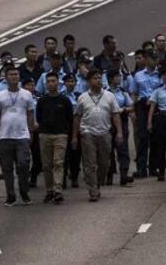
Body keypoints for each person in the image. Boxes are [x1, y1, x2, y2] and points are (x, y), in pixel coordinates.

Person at [0, 65, 36, 206]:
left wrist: (31, 131)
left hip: (22, 136)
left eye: (16, 74)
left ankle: (24, 191)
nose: (14, 77)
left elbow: (30, 114)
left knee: (23, 164)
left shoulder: (27, 94)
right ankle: (10, 195)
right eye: (11, 74)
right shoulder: (0, 95)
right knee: (7, 168)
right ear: (6, 77)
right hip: (4, 136)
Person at [72, 70, 122, 202]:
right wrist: (75, 137)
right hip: (88, 133)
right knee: (90, 164)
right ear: (89, 81)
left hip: (105, 133)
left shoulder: (110, 96)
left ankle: (98, 183)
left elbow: (116, 114)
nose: (98, 80)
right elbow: (77, 117)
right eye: (95, 78)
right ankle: (93, 190)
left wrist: (120, 132)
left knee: (105, 163)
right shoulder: (82, 97)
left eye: (100, 78)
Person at [35, 72, 73, 204]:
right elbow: (38, 118)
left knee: (58, 163)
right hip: (45, 135)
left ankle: (58, 190)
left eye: (53, 81)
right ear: (46, 84)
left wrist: (69, 135)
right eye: (49, 81)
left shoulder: (64, 100)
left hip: (60, 135)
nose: (51, 83)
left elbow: (70, 118)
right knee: (46, 165)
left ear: (58, 83)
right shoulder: (42, 101)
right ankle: (49, 190)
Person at [132, 51, 162, 178]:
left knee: (155, 138)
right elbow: (134, 92)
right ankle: (141, 168)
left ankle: (153, 167)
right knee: (142, 137)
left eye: (156, 59)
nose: (154, 62)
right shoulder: (138, 75)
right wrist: (134, 107)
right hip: (142, 105)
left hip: (156, 106)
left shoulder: (160, 75)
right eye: (152, 59)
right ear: (146, 59)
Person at [108, 71, 136, 186]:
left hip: (122, 120)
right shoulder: (104, 92)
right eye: (116, 76)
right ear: (110, 78)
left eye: (119, 76)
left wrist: (124, 109)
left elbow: (132, 106)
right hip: (108, 122)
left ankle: (124, 174)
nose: (119, 78)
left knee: (123, 149)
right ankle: (108, 175)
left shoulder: (123, 92)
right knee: (108, 150)